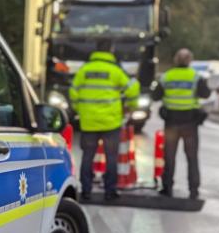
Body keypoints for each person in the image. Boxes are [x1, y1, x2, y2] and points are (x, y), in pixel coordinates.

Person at [70, 40, 140, 201]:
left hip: (89, 122)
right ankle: (110, 191)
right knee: (111, 157)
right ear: (111, 49)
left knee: (87, 156)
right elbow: (132, 88)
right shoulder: (115, 70)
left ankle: (86, 191)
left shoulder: (85, 70)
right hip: (111, 122)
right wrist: (130, 106)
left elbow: (73, 91)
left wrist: (79, 109)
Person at [152, 48, 211, 200]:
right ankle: (193, 190)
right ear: (190, 60)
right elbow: (206, 94)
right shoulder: (195, 77)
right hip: (190, 124)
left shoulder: (167, 77)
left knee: (169, 157)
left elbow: (155, 96)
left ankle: (167, 188)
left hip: (171, 123)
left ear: (175, 60)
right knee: (192, 158)